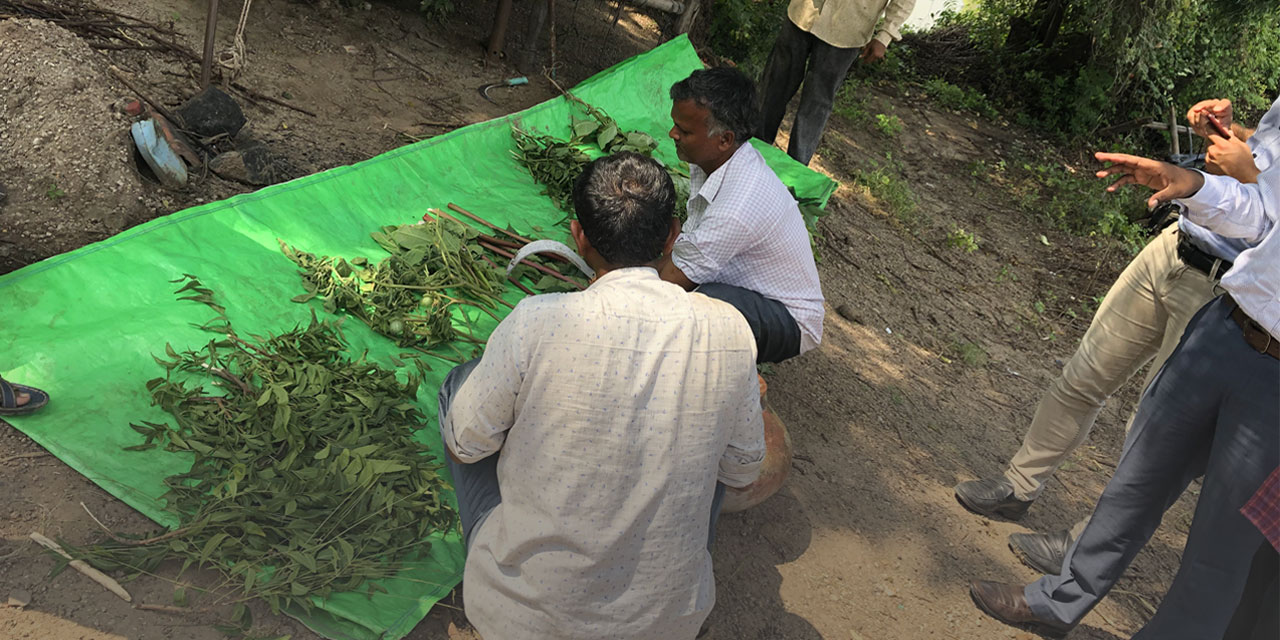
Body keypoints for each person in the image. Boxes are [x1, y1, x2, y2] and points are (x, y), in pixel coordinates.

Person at [439, 152, 766, 640]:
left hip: (522, 617)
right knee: (714, 448)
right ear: (673, 234)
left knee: (459, 388)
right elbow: (741, 472)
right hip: (667, 623)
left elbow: (466, 445)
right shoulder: (729, 331)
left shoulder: (535, 321)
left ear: (579, 236)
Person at [954, 96, 1280, 574]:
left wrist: (1249, 173)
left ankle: (1082, 547)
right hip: (1176, 246)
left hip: (1224, 291)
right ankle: (1017, 485)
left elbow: (1265, 203)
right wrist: (1236, 133)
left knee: (1150, 434)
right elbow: (1269, 155)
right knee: (1083, 375)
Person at [661, 67, 825, 363]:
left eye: (684, 131)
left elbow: (669, 283)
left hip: (787, 319)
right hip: (753, 295)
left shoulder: (738, 205)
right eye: (675, 125)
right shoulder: (718, 160)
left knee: (685, 313)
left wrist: (616, 292)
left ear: (724, 139)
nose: (672, 134)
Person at [757, 0, 917, 165]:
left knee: (817, 102)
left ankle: (794, 171)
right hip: (804, 11)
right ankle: (753, 148)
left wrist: (885, 36)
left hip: (848, 29)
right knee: (776, 82)